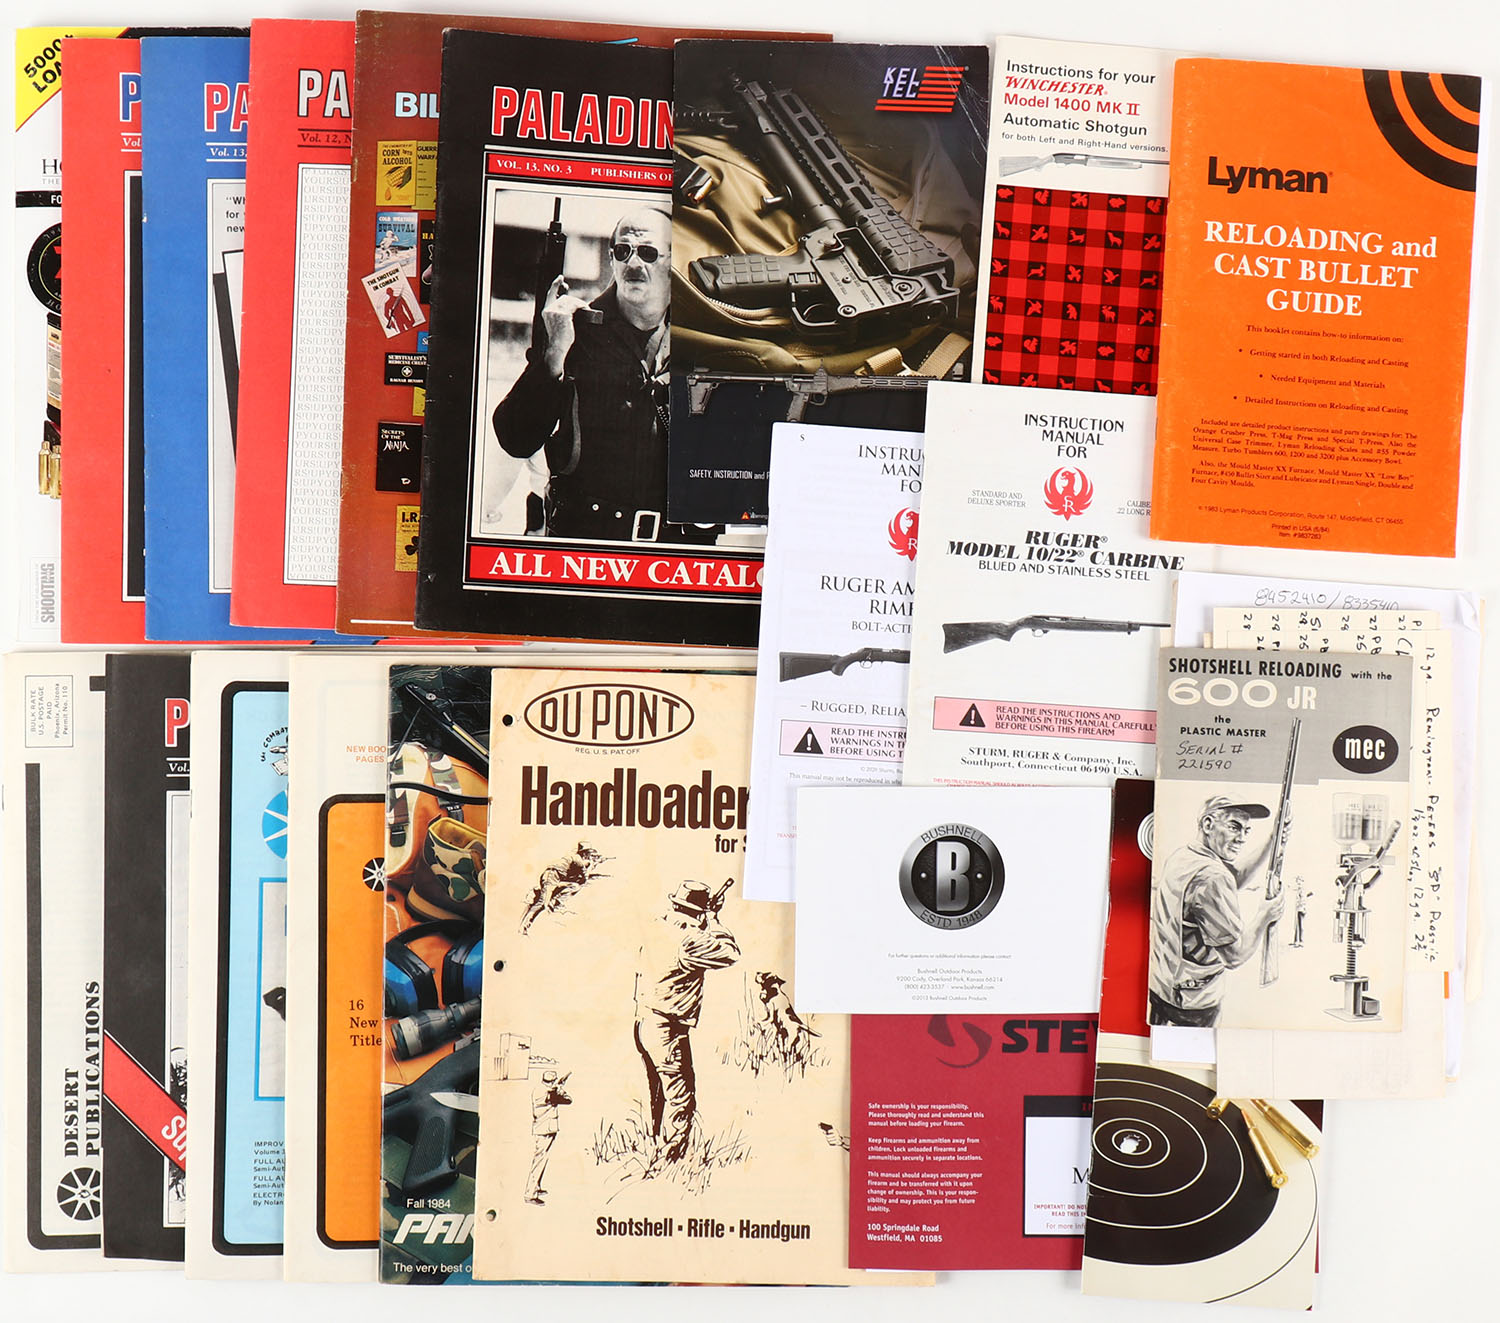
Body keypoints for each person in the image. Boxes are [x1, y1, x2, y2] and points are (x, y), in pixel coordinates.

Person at [492, 207, 672, 541]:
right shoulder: (576, 329)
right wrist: (554, 355)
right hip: (586, 538)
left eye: (648, 253)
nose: (633, 263)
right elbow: (516, 438)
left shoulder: (702, 336)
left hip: (675, 547)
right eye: (623, 251)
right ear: (611, 258)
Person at [1148, 795, 1287, 1027]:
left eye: (1246, 830)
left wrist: (1274, 839)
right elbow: (1235, 956)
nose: (1242, 838)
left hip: (1161, 987)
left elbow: (1234, 877)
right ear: (1208, 824)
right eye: (1234, 827)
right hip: (1193, 1003)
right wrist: (1265, 915)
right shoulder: (1212, 877)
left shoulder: (1184, 856)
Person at [631, 881, 738, 1172]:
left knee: (656, 1093)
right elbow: (730, 953)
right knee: (680, 1099)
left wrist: (702, 919)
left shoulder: (656, 926)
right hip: (668, 1028)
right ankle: (669, 1163)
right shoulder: (692, 939)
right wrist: (714, 919)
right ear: (700, 911)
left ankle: (654, 1146)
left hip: (644, 1021)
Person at [524, 1069, 571, 1206]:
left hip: (544, 1129)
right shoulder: (548, 1093)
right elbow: (568, 1100)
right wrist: (560, 1089)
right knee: (539, 1161)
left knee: (541, 1160)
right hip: (544, 1130)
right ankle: (530, 1194)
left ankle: (536, 1187)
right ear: (551, 1082)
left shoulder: (541, 1090)